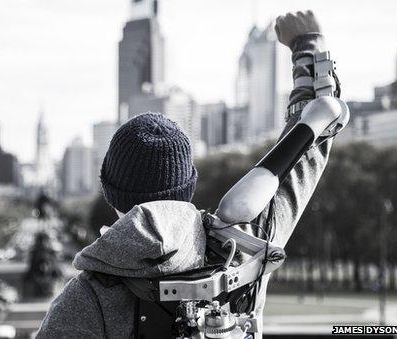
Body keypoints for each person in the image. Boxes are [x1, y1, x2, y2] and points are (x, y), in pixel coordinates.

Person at [37, 10, 335, 338]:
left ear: (109, 190)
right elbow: (309, 139)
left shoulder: (84, 300)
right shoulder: (245, 243)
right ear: (189, 186)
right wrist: (307, 48)